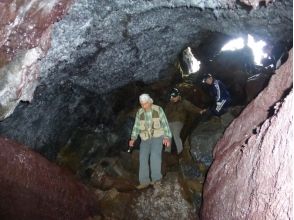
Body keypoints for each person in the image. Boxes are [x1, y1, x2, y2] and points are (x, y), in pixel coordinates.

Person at [129, 94, 172, 189]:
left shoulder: (158, 109)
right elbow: (136, 126)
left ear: (150, 102)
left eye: (145, 104)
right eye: (142, 104)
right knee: (142, 157)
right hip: (145, 139)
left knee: (154, 155)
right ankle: (144, 181)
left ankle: (156, 180)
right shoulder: (139, 112)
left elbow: (165, 124)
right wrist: (133, 138)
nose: (143, 106)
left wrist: (167, 137)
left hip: (157, 136)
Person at [165, 88, 206, 155]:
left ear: (178, 95)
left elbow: (191, 107)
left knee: (175, 135)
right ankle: (167, 152)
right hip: (169, 122)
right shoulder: (169, 104)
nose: (173, 98)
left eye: (175, 96)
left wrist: (200, 111)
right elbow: (165, 113)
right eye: (172, 97)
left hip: (178, 121)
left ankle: (180, 151)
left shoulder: (183, 102)